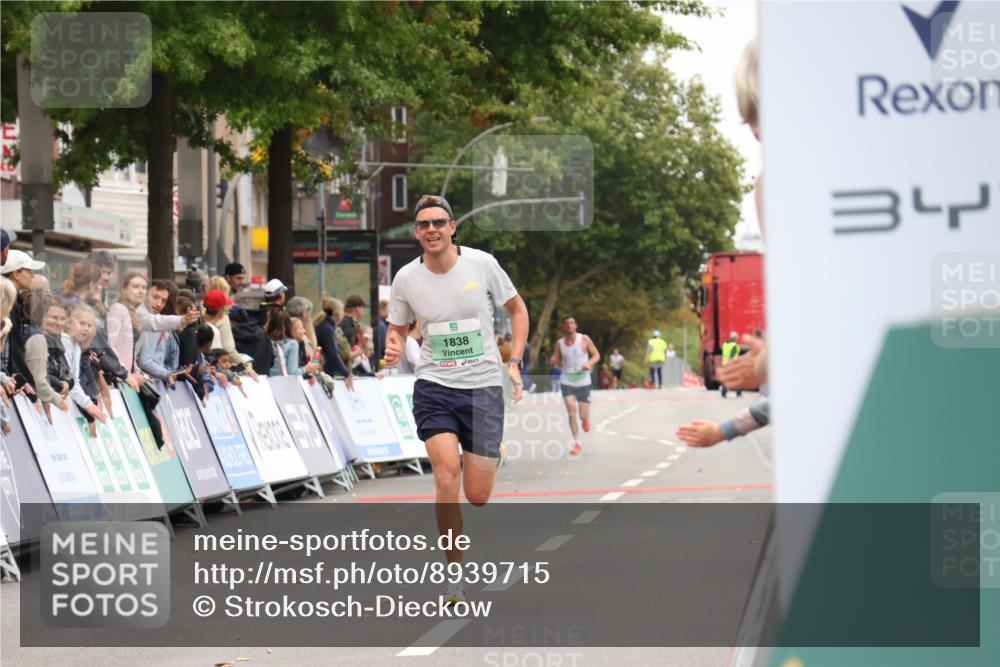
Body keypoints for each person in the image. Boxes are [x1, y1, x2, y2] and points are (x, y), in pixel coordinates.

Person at [383, 194, 528, 606]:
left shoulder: (482, 265)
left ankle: (486, 451)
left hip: (482, 386)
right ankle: (454, 577)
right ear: (416, 233)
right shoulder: (406, 278)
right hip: (435, 386)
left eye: (439, 223)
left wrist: (514, 360)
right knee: (446, 477)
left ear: (453, 227)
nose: (431, 230)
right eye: (424, 224)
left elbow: (518, 310)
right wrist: (394, 348)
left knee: (478, 494)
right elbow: (397, 329)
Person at [549, 315, 600, 456]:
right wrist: (553, 361)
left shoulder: (584, 339)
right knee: (571, 411)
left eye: (572, 323)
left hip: (583, 382)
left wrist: (589, 364)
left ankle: (585, 420)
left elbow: (596, 355)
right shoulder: (560, 343)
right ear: (563, 327)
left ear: (575, 325)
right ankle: (577, 443)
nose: (569, 325)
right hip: (567, 381)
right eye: (566, 323)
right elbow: (556, 359)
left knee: (583, 415)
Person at [22, 291, 73, 415]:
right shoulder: (36, 337)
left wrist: (67, 381)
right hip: (32, 403)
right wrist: (58, 395)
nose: (59, 322)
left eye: (63, 318)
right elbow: (38, 377)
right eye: (53, 317)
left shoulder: (57, 340)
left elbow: (67, 371)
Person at [1, 250, 46, 385]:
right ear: (16, 274)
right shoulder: (9, 302)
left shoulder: (15, 301)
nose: (33, 275)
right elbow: (13, 349)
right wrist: (24, 382)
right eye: (29, 271)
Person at [136, 280, 181, 386]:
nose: (159, 304)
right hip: (142, 382)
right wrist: (166, 374)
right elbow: (146, 362)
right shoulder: (150, 320)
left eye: (164, 301)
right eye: (155, 297)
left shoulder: (154, 319)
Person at [314, 296, 353, 384]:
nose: (344, 314)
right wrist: (346, 374)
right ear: (337, 314)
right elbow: (333, 354)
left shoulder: (324, 325)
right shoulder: (327, 329)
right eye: (342, 311)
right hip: (324, 372)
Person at [265, 308, 302, 377]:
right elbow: (292, 372)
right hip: (282, 383)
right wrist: (306, 369)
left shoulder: (264, 340)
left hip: (265, 381)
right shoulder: (292, 344)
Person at [720, 331, 743, 399]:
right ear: (735, 338)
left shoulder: (725, 344)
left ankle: (723, 393)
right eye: (737, 338)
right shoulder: (735, 346)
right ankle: (738, 393)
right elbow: (732, 356)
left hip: (725, 363)